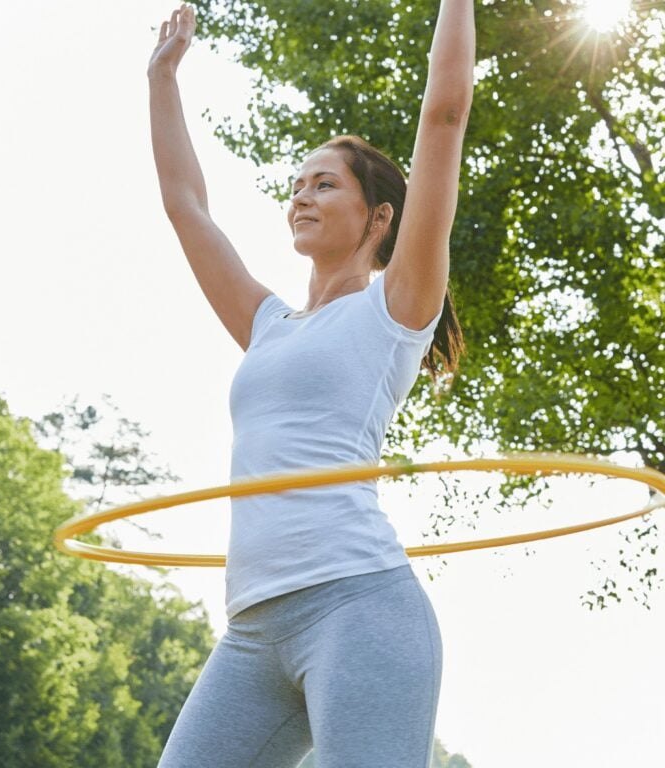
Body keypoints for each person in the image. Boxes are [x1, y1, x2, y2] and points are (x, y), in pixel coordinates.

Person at [148, 2, 473, 766]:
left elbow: (446, 115)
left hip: (359, 607)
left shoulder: (396, 307)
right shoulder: (267, 324)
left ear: (378, 217)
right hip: (252, 630)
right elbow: (185, 205)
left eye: (324, 184)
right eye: (296, 184)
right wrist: (162, 78)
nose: (300, 196)